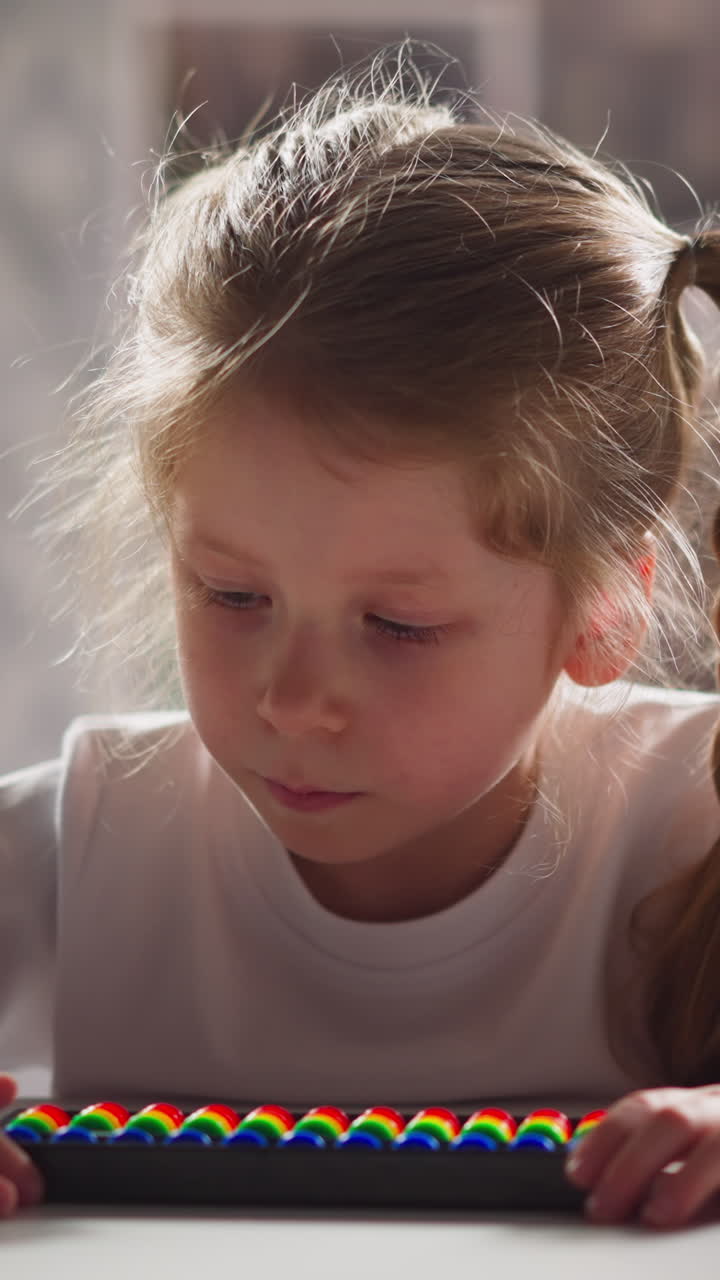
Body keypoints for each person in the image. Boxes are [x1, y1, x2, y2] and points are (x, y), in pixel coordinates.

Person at [2, 43, 720, 1229]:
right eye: (231, 595)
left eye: (398, 624)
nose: (292, 698)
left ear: (604, 606)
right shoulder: (97, 843)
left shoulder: (689, 821)